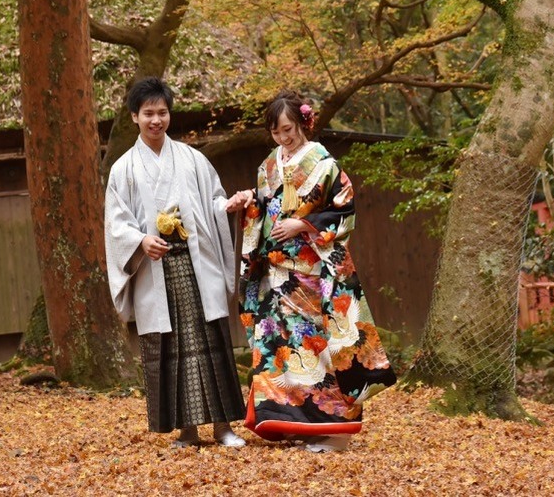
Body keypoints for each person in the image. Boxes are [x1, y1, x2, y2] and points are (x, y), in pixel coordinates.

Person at [225, 91, 396, 452]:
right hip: (275, 269)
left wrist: (303, 226)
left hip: (311, 270)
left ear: (303, 123)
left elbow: (343, 208)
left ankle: (334, 432)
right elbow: (264, 203)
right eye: (275, 132)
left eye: (288, 129)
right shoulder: (269, 165)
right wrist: (249, 203)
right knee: (280, 348)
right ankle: (291, 422)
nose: (283, 138)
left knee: (317, 348)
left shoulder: (323, 162)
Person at [105, 77, 247, 448]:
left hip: (196, 264)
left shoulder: (191, 159)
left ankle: (223, 428)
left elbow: (212, 201)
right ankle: (187, 431)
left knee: (209, 343)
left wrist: (226, 208)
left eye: (162, 112)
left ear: (169, 114)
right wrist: (141, 240)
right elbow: (116, 223)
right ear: (134, 116)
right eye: (148, 113)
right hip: (156, 270)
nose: (156, 120)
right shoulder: (123, 169)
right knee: (175, 351)